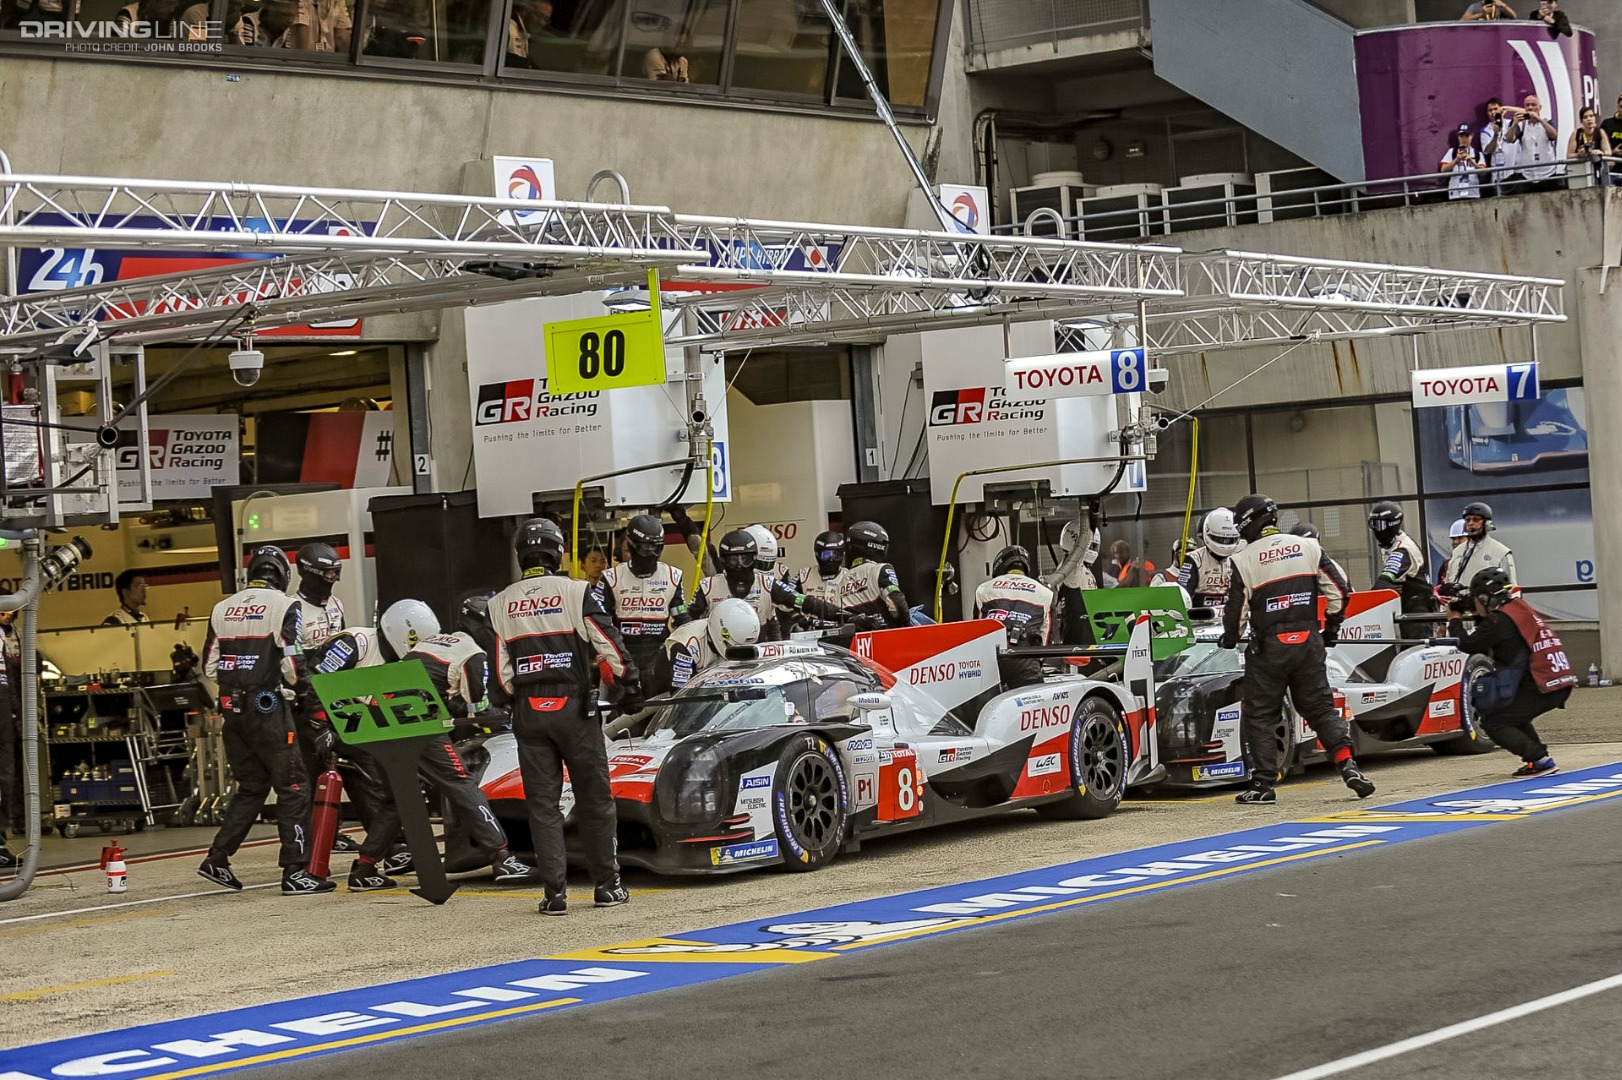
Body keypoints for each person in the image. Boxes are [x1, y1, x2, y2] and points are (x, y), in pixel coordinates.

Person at [488, 517, 639, 916]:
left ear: (521, 554)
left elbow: (501, 678)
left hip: (529, 714)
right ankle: (607, 886)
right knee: (595, 800)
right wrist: (630, 686)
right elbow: (613, 650)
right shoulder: (578, 592)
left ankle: (554, 895)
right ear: (558, 552)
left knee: (543, 806)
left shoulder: (500, 603)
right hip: (575, 710)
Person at [341, 599, 537, 891]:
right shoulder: (472, 652)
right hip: (414, 719)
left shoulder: (430, 643)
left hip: (376, 720)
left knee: (398, 798)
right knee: (461, 784)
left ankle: (364, 867)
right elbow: (476, 704)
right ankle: (502, 856)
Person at [1221, 494, 1375, 804]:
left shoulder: (1244, 559)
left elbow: (1235, 615)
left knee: (1261, 716)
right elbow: (1341, 592)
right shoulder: (1308, 547)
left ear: (1248, 523)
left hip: (1268, 649)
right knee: (1320, 708)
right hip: (1308, 642)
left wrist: (1229, 636)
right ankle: (1348, 765)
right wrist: (1329, 630)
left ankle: (1263, 786)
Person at [198, 546, 331, 894]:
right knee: (295, 786)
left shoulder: (221, 608)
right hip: (270, 710)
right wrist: (307, 696)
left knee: (253, 787)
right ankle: (295, 871)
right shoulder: (287, 605)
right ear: (284, 575)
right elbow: (292, 661)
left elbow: (209, 666)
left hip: (233, 713)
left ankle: (217, 857)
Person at [1449, 566, 1575, 777]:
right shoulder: (1518, 607)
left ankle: (1539, 760)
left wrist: (1454, 618)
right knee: (1511, 714)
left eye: (1476, 600)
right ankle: (1538, 758)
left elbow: (1468, 644)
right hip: (1557, 680)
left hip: (1542, 683)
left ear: (1485, 598)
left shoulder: (1498, 620)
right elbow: (1497, 634)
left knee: (1494, 721)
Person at [681, 529, 850, 639]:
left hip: (759, 653)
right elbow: (686, 620)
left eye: (744, 558)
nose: (739, 564)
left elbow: (803, 601)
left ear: (754, 559)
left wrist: (843, 615)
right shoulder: (708, 586)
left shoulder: (767, 584)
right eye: (733, 559)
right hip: (719, 656)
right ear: (723, 561)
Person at [598, 514, 684, 698]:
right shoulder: (611, 578)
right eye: (645, 547)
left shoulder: (673, 576)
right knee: (615, 716)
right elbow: (598, 623)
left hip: (659, 654)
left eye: (655, 547)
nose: (650, 552)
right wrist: (602, 658)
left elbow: (683, 618)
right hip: (621, 654)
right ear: (631, 544)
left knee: (658, 711)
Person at [973, 546, 1054, 690]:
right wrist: (1037, 662)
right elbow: (1045, 637)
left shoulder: (984, 588)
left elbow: (976, 630)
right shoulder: (1045, 592)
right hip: (1024, 656)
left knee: (984, 708)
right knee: (1031, 708)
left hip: (992, 656)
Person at [1365, 502, 1437, 639]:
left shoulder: (1403, 549)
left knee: (1414, 652)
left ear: (1392, 525)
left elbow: (1385, 581)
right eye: (1372, 525)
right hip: (1406, 606)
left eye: (1379, 525)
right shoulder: (1390, 544)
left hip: (1417, 610)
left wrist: (1364, 605)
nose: (1375, 530)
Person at [666, 597, 761, 689]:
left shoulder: (744, 636)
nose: (741, 653)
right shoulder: (687, 645)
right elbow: (680, 692)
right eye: (736, 646)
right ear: (722, 634)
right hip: (666, 679)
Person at [1440, 501, 1516, 615]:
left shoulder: (1501, 552)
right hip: (1458, 615)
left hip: (1486, 617)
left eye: (1476, 520)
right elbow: (1448, 585)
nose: (1471, 523)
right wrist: (1443, 619)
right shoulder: (1457, 552)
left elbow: (1511, 589)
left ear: (1486, 523)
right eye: (1468, 520)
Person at [836, 521, 912, 629]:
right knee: (917, 615)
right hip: (884, 636)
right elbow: (897, 604)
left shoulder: (840, 581)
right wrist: (904, 623)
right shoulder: (880, 569)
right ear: (876, 546)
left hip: (853, 641)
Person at [1179, 508, 1241, 609]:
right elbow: (1182, 593)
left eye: (1229, 539)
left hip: (1231, 618)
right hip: (1201, 619)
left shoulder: (1240, 557)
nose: (1225, 543)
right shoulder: (1195, 559)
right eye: (1220, 539)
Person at [1052, 520, 1100, 646]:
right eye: (1091, 546)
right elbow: (1078, 554)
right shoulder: (1072, 569)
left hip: (1087, 632)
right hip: (1078, 636)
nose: (1093, 550)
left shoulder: (1084, 569)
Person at [788, 530, 846, 633]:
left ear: (843, 554)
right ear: (817, 554)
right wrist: (798, 619)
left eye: (835, 554)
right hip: (810, 635)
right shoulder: (803, 576)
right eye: (826, 555)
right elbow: (787, 598)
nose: (831, 559)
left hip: (841, 632)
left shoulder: (850, 577)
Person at [1509, 94, 1564, 192]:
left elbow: (1553, 135)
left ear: (1539, 107)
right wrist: (1514, 124)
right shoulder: (1522, 125)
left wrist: (1539, 119)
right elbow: (1509, 139)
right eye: (1527, 105)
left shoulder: (1547, 121)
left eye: (1533, 105)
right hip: (1528, 174)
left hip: (1547, 173)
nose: (1530, 107)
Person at [0, 610, 18, 869]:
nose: (9, 615)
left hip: (3, 704)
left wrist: (16, 707)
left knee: (5, 775)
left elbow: (8, 678)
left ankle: (0, 844)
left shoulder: (5, 636)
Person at [1481, 97, 1519, 195]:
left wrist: (1509, 109)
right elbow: (1487, 151)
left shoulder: (1512, 122)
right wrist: (1496, 134)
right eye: (1490, 110)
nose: (1493, 112)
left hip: (1515, 174)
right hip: (1497, 177)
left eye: (1495, 109)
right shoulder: (1485, 130)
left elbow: (1530, 114)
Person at [287, 0, 352, 51]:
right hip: (296, 61)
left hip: (327, 61)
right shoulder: (299, 2)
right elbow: (301, 45)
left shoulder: (337, 1)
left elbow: (341, 37)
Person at [1568, 106, 1612, 181]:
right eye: (1585, 117)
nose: (1589, 119)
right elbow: (1569, 155)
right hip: (1581, 171)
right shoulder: (1576, 133)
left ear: (1595, 118)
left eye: (1591, 116)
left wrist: (1601, 152)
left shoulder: (1600, 132)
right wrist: (1578, 154)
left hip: (1598, 170)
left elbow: (1609, 152)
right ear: (1581, 121)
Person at [1441, 125, 1483, 200]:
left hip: (1473, 193)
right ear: (1458, 137)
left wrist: (1472, 162)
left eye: (1466, 135)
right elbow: (1443, 169)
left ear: (1471, 136)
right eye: (1461, 136)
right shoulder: (1452, 152)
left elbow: (1484, 172)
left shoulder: (1477, 153)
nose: (1464, 139)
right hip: (1455, 194)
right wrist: (1456, 160)